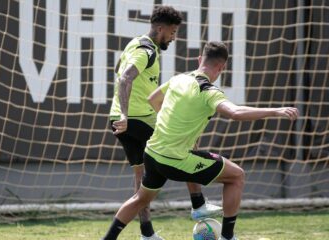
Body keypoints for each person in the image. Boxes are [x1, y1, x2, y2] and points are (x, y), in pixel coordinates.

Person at [103, 41, 299, 240]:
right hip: (175, 159)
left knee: (140, 199)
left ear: (199, 60)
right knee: (236, 176)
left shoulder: (179, 79)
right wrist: (276, 111)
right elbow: (235, 112)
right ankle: (227, 237)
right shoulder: (209, 91)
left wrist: (172, 124)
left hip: (153, 153)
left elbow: (153, 99)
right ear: (222, 68)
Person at [109, 5, 222, 240]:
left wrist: (121, 114)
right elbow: (126, 77)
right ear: (160, 28)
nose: (172, 38)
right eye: (171, 33)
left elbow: (118, 67)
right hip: (137, 118)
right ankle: (198, 203)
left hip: (119, 120)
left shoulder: (135, 43)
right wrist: (127, 114)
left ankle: (147, 234)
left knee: (141, 178)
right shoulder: (147, 51)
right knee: (184, 142)